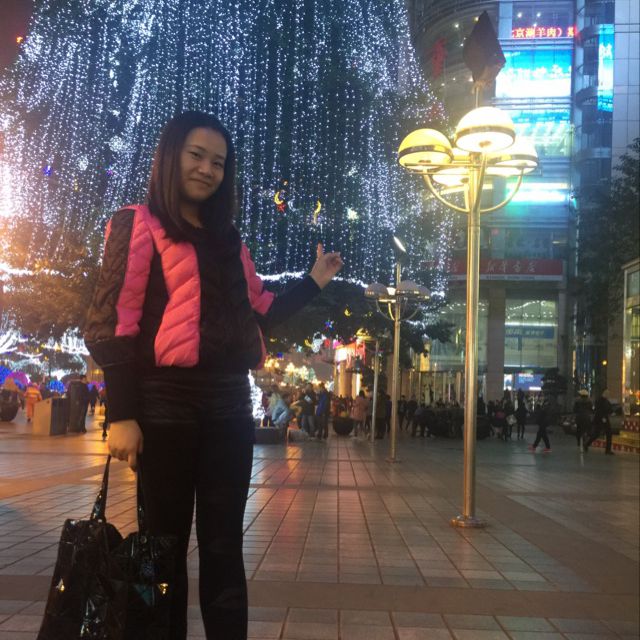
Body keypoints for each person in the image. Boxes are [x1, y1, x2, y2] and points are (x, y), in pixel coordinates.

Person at [84, 111, 343, 640]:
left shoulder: (229, 241)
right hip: (164, 405)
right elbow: (114, 323)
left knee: (225, 546)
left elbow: (261, 309)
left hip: (229, 406)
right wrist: (123, 414)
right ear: (171, 156)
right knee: (163, 547)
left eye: (219, 163)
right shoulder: (137, 223)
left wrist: (313, 282)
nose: (207, 169)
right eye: (197, 155)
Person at [584, 389, 614, 454]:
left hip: (604, 418)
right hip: (600, 419)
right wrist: (602, 417)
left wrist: (611, 412)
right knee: (598, 434)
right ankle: (587, 444)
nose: (608, 395)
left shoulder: (606, 401)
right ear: (604, 393)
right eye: (607, 393)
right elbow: (598, 410)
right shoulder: (599, 400)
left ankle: (607, 450)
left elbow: (610, 409)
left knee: (608, 433)